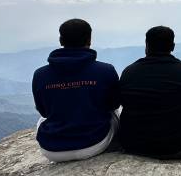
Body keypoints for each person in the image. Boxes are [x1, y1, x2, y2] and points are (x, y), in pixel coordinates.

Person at [118, 26, 181, 158]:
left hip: (133, 144)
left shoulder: (129, 71)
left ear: (147, 46)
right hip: (176, 146)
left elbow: (122, 103)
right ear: (172, 46)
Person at [32, 19, 121, 162]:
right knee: (117, 112)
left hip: (52, 150)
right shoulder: (106, 70)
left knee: (42, 120)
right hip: (95, 144)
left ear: (61, 40)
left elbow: (44, 112)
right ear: (89, 40)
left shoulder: (40, 74)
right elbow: (114, 105)